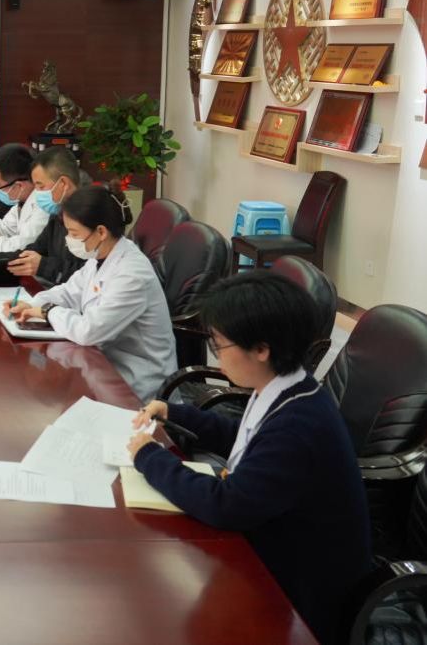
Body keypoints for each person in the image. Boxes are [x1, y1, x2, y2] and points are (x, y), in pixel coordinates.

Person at [128, 272, 371, 645]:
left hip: (301, 594)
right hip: (275, 543)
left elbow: (226, 506)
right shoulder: (288, 386)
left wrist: (149, 458)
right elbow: (246, 437)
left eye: (220, 344)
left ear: (261, 349)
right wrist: (177, 414)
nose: (216, 354)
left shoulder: (298, 426)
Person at [9, 186, 174, 402]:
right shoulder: (101, 256)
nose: (68, 239)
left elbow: (88, 331)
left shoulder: (133, 274)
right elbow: (69, 292)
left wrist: (48, 311)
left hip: (136, 385)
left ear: (101, 232)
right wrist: (33, 305)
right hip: (103, 364)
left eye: (74, 233)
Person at [0, 146, 83, 287]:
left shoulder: (91, 216)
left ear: (63, 183)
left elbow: (88, 272)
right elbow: (31, 251)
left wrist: (43, 265)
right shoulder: (58, 215)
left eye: (41, 187)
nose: (37, 194)